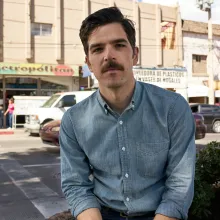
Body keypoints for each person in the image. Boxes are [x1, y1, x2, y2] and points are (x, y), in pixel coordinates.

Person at [59, 7, 196, 220]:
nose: (108, 56)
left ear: (134, 55)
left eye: (119, 45)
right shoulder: (74, 121)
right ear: (88, 63)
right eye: (97, 49)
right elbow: (76, 185)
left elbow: (180, 184)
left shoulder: (173, 108)